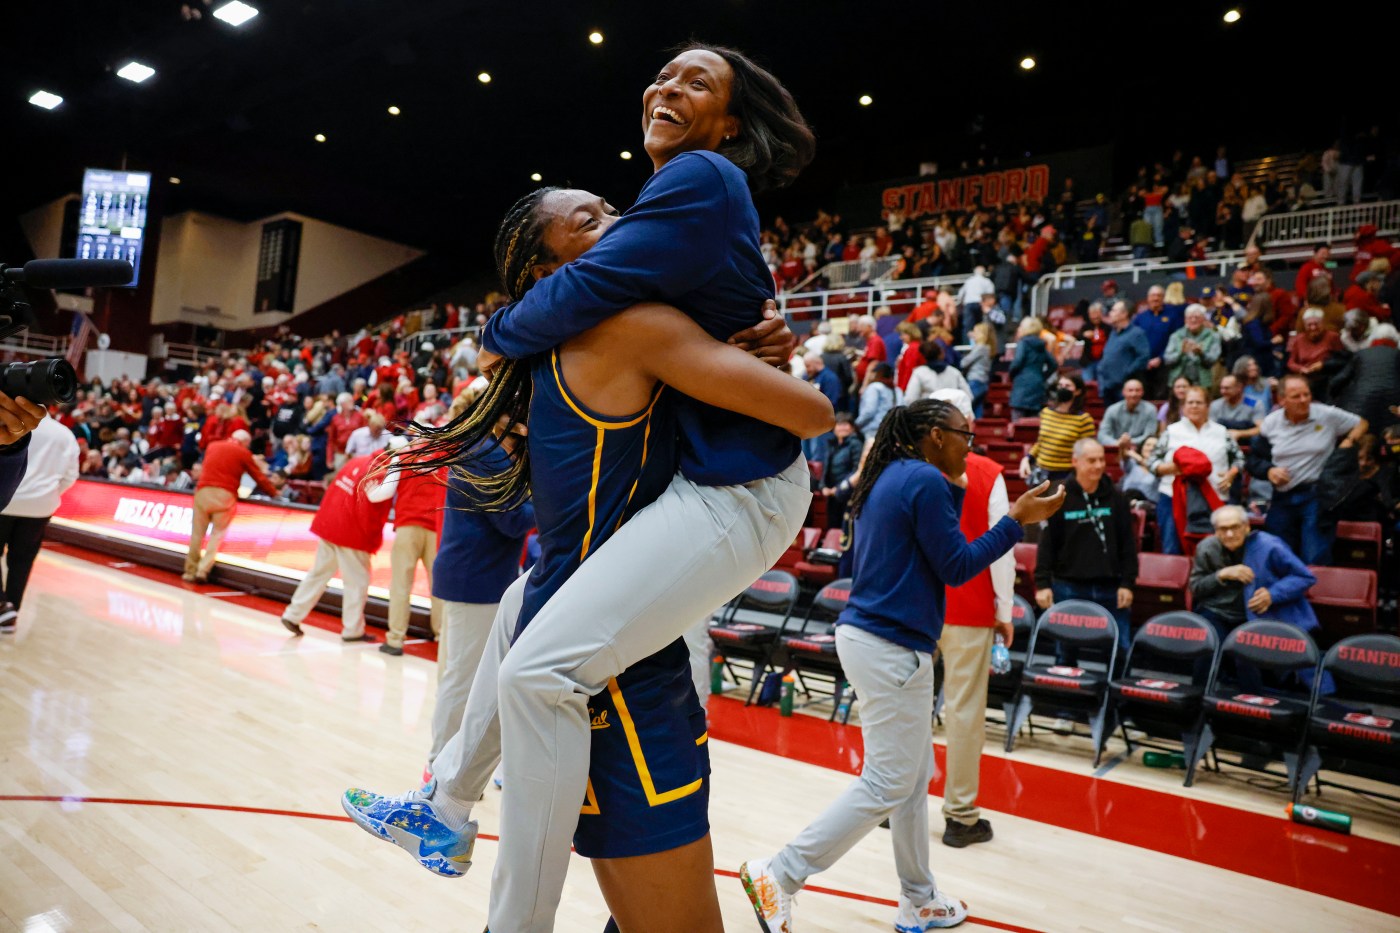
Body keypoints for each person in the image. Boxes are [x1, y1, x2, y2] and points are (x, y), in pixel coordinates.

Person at [346, 43, 823, 933]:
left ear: (729, 122)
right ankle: (447, 804)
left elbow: (807, 404)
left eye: (699, 83)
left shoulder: (692, 195)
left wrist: (497, 328)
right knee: (525, 614)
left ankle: (511, 915)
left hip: (738, 487)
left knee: (537, 670)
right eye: (666, 74)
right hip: (676, 504)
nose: (670, 88)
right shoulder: (606, 310)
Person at [739, 400, 1064, 933]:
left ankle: (919, 898)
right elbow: (956, 566)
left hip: (871, 637)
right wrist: (1016, 521)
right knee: (889, 782)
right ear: (935, 435)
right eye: (965, 435)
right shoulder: (923, 481)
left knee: (912, 779)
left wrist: (962, 488)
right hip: (890, 644)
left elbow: (928, 549)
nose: (971, 445)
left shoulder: (889, 475)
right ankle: (780, 872)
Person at [425, 427, 535, 769]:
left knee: (467, 677)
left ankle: (451, 765)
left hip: (478, 577)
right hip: (474, 579)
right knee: (463, 678)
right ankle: (438, 766)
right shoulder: (486, 455)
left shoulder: (484, 450)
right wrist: (552, 497)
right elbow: (512, 520)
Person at [932, 390, 1014, 850]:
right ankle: (960, 817)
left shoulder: (906, 469)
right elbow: (1003, 549)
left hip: (917, 606)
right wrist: (1005, 611)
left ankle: (889, 801)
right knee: (964, 714)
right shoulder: (988, 472)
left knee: (908, 710)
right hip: (970, 603)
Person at [1188, 505, 1323, 691]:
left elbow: (1305, 577)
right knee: (1206, 647)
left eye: (1234, 527)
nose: (1229, 534)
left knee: (1246, 654)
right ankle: (1197, 701)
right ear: (1215, 531)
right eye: (1222, 529)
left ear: (1247, 527)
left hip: (1254, 614)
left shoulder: (1269, 545)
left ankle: (1251, 707)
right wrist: (1220, 575)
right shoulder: (1206, 548)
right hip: (1217, 612)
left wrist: (1272, 594)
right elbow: (1196, 588)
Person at [1034, 438, 1138, 654]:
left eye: (1101, 460)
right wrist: (1042, 584)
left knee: (1121, 650)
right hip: (1068, 586)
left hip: (1111, 586)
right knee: (1065, 651)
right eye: (1091, 460)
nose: (1099, 465)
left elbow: (1128, 543)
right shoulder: (1058, 496)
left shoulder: (1117, 497)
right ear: (1075, 461)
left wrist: (1128, 583)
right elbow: (1047, 544)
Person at [1251, 375, 1367, 566]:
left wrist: (1349, 441)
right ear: (1282, 400)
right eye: (1296, 396)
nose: (1304, 400)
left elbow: (1362, 423)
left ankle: (1316, 595)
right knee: (1278, 554)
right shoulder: (1271, 423)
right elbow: (1254, 460)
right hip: (1282, 497)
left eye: (1307, 394)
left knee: (1314, 556)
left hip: (1316, 495)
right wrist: (1269, 471)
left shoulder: (1327, 414)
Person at [279, 452, 394, 642]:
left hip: (331, 524)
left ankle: (292, 614)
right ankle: (353, 630)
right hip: (353, 532)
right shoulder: (382, 470)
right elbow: (376, 498)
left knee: (318, 574)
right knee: (356, 584)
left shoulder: (359, 460)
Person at [0, 415, 78, 631]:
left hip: (7, 500)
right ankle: (11, 611)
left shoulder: (6, 424)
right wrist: (48, 496)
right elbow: (71, 475)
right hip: (41, 506)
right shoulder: (64, 434)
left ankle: (1, 607)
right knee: (22, 561)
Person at [1148, 386, 1242, 554]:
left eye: (1199, 402)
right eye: (1190, 402)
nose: (1194, 406)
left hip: (1214, 497)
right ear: (1183, 406)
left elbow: (1239, 458)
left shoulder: (1221, 432)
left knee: (1215, 551)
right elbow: (1152, 461)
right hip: (1173, 497)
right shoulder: (1171, 431)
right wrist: (1168, 468)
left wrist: (1231, 474)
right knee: (1172, 549)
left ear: (1208, 406)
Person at [379, 440, 448, 657]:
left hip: (408, 526)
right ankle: (442, 638)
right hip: (436, 528)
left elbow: (386, 492)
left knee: (400, 585)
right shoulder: (445, 458)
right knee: (438, 589)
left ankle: (395, 639)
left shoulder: (404, 457)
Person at [184, 429, 279, 584]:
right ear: (245, 442)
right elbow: (258, 477)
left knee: (196, 534)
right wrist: (274, 494)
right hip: (225, 494)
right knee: (217, 534)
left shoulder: (213, 446)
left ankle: (189, 572)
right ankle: (203, 570)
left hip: (202, 491)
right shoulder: (243, 452)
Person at [1021, 373, 1096, 483]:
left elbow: (1086, 452)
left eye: (1067, 386)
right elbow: (1041, 442)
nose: (1062, 389)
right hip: (1041, 474)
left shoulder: (1083, 419)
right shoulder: (1046, 413)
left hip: (1065, 477)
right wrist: (1027, 458)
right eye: (1060, 385)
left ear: (1078, 391)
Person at [1098, 300, 1152, 405]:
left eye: (1113, 310)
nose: (1110, 313)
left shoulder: (1136, 333)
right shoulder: (1113, 333)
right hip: (1108, 387)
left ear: (1124, 314)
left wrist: (1126, 373)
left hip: (1125, 388)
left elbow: (1143, 357)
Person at [1287, 309, 1346, 397]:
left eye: (1316, 324)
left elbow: (1343, 359)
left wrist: (1323, 365)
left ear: (1323, 323)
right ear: (1304, 325)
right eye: (1309, 325)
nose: (1313, 328)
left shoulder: (1333, 337)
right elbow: (1291, 362)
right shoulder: (1299, 339)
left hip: (1327, 380)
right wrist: (1301, 369)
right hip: (1306, 380)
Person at [1164, 304, 1221, 393]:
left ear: (1203, 319)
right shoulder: (1176, 336)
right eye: (1190, 317)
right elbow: (1167, 359)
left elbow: (1213, 359)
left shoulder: (1213, 336)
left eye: (1197, 317)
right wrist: (1180, 352)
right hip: (1179, 383)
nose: (1193, 320)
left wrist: (1201, 353)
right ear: (1185, 320)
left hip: (1203, 382)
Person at [1008, 316, 1056, 419]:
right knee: (1034, 424)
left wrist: (1012, 375)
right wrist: (1042, 376)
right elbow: (1053, 364)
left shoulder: (1023, 343)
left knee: (1018, 423)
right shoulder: (1041, 345)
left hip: (1022, 385)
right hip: (1038, 385)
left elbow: (1017, 362)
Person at [1097, 378, 1159, 451]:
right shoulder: (1112, 409)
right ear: (1123, 392)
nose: (1134, 394)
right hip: (1116, 449)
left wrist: (1129, 442)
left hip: (1140, 450)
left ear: (1142, 392)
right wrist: (1116, 443)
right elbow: (1102, 434)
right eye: (1130, 390)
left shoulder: (1150, 410)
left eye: (1137, 390)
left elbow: (1149, 435)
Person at [904, 340, 972, 402]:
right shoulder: (954, 372)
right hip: (950, 411)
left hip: (928, 412)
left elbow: (910, 398)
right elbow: (968, 396)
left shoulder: (919, 372)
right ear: (942, 354)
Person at [1211, 373, 1265, 443]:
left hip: (1247, 442)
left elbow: (1261, 428)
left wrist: (1239, 433)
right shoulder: (1216, 404)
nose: (1223, 391)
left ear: (1239, 388)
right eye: (1221, 388)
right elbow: (1209, 428)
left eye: (1227, 388)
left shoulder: (1253, 404)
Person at [959, 322, 996, 417]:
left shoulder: (981, 348)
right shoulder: (987, 347)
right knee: (978, 410)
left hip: (975, 381)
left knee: (967, 409)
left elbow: (964, 363)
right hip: (983, 381)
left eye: (975, 332)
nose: (973, 334)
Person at [856, 361, 898, 437]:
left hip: (874, 430)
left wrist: (856, 424)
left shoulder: (874, 387)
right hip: (893, 430)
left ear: (879, 373)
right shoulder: (898, 390)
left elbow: (869, 411)